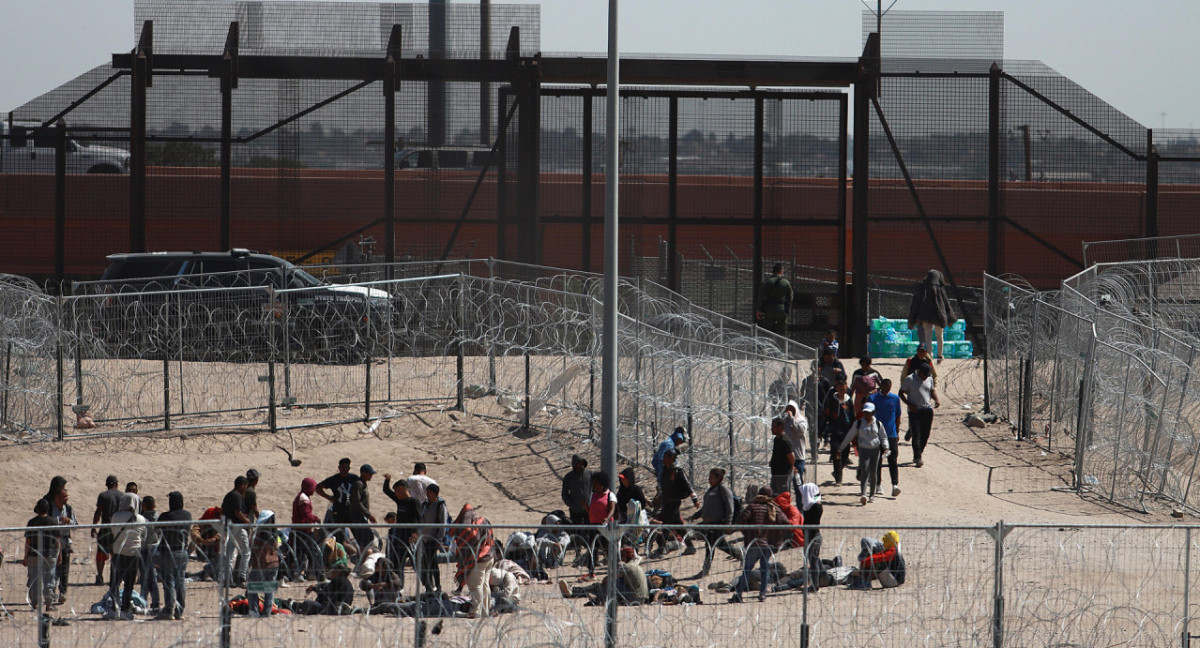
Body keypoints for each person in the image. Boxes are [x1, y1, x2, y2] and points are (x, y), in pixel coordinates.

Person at [728, 487, 785, 604]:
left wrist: (747, 533)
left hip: (754, 544)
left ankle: (738, 594)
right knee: (765, 570)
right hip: (767, 544)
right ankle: (762, 594)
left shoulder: (752, 507)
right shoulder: (774, 508)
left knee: (747, 570)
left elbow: (741, 520)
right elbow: (786, 522)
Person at [688, 467, 737, 577]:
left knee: (709, 545)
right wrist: (695, 516)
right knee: (720, 544)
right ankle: (739, 555)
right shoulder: (710, 490)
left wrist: (728, 523)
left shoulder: (723, 489)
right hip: (709, 524)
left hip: (718, 523)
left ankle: (705, 570)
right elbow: (705, 508)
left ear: (718, 478)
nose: (709, 479)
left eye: (711, 477)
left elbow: (730, 507)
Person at [449, 503, 495, 619]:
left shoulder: (468, 528)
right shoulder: (481, 521)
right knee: (484, 585)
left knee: (476, 586)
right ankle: (485, 610)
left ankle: (474, 611)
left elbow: (470, 540)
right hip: (489, 556)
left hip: (478, 559)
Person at [558, 545, 647, 605]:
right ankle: (584, 593)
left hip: (632, 598)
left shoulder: (627, 566)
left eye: (622, 555)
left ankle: (574, 592)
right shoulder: (635, 565)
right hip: (641, 598)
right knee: (612, 584)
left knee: (600, 585)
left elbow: (606, 580)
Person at [839, 402, 889, 505]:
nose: (867, 414)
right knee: (865, 471)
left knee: (873, 472)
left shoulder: (878, 424)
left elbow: (883, 436)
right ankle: (863, 494)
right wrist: (841, 448)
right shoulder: (858, 423)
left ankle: (872, 495)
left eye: (869, 412)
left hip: (875, 450)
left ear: (873, 413)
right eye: (865, 412)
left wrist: (886, 447)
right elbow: (849, 436)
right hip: (864, 450)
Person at [653, 449, 697, 557]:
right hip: (666, 501)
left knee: (666, 524)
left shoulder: (677, 471)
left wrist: (694, 498)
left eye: (666, 457)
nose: (663, 459)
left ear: (671, 458)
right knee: (678, 525)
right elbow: (663, 486)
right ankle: (690, 546)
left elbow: (687, 485)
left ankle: (662, 548)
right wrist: (659, 496)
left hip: (674, 502)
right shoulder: (665, 470)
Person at [907, 269, 958, 363]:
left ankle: (929, 356)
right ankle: (940, 355)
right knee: (939, 336)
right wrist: (950, 318)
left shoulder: (922, 288)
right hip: (939, 316)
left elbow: (915, 304)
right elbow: (947, 304)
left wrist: (912, 320)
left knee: (928, 336)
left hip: (925, 316)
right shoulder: (940, 289)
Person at [109, 493, 146, 620]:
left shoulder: (115, 516)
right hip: (133, 553)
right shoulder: (140, 519)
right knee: (129, 584)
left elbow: (113, 532)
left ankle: (114, 609)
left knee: (115, 582)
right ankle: (125, 608)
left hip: (118, 552)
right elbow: (143, 535)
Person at [157, 491, 193, 620]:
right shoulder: (187, 515)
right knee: (180, 581)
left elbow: (156, 530)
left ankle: (169, 609)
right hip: (183, 551)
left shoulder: (165, 516)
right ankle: (179, 611)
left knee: (169, 581)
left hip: (168, 551)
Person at [381, 473, 420, 589]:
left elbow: (419, 518)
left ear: (402, 489)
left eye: (397, 491)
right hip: (400, 537)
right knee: (398, 563)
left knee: (417, 564)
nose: (396, 494)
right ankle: (399, 586)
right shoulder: (400, 501)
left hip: (411, 538)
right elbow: (386, 491)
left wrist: (415, 533)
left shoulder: (414, 502)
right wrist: (387, 480)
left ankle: (429, 586)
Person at [42, 476, 76, 605]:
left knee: (64, 569)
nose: (66, 499)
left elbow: (76, 524)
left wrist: (69, 521)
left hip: (65, 541)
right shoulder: (48, 504)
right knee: (52, 568)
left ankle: (63, 592)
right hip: (51, 541)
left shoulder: (69, 509)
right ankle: (51, 592)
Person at [900, 363, 939, 468]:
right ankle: (917, 457)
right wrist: (909, 404)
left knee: (925, 434)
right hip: (915, 411)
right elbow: (901, 393)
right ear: (919, 372)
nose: (925, 377)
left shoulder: (929, 379)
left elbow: (931, 390)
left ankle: (919, 452)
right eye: (924, 375)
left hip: (927, 410)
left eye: (927, 375)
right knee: (916, 434)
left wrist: (936, 399)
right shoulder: (910, 379)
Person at [869, 379, 903, 497]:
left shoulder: (895, 399)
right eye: (885, 387)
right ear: (881, 386)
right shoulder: (873, 399)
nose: (887, 389)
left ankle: (895, 485)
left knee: (893, 459)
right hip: (877, 434)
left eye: (889, 387)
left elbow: (898, 416)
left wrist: (897, 431)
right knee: (878, 460)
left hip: (891, 434)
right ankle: (878, 484)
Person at [24, 498, 60, 612]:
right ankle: (48, 605)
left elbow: (28, 541)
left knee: (34, 580)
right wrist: (59, 556)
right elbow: (57, 541)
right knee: (49, 580)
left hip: (34, 554)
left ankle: (34, 604)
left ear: (37, 509)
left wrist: (25, 556)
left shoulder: (32, 522)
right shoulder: (53, 522)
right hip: (49, 554)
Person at [581, 472, 617, 580]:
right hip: (593, 526)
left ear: (602, 484)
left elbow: (612, 509)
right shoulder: (593, 495)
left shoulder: (610, 495)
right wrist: (585, 506)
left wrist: (607, 518)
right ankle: (591, 571)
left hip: (605, 526)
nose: (594, 486)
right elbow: (591, 511)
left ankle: (613, 570)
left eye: (596, 484)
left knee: (608, 549)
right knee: (593, 549)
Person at [247, 511, 281, 617]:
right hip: (274, 564)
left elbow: (254, 549)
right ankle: (267, 612)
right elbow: (278, 545)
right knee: (269, 589)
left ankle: (254, 611)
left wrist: (251, 563)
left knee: (252, 587)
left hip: (261, 564)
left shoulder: (260, 533)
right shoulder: (274, 533)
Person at [822, 376, 855, 483]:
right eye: (840, 389)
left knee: (845, 455)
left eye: (844, 390)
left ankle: (837, 471)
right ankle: (838, 479)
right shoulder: (832, 400)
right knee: (836, 453)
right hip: (834, 431)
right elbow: (826, 414)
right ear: (837, 389)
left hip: (846, 432)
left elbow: (852, 415)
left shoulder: (849, 400)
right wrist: (824, 430)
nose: (842, 391)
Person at [290, 478, 323, 583]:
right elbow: (306, 515)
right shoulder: (303, 499)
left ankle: (305, 573)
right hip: (303, 530)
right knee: (311, 551)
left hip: (301, 529)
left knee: (303, 552)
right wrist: (316, 519)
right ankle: (315, 574)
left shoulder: (302, 497)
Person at [222, 476, 252, 587]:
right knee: (246, 552)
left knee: (230, 554)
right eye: (245, 486)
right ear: (242, 485)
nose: (246, 488)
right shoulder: (237, 496)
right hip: (237, 528)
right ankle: (242, 577)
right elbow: (237, 512)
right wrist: (248, 521)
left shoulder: (228, 495)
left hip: (229, 527)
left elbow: (223, 511)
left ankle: (228, 579)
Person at [418, 483, 448, 593]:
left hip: (433, 538)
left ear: (435, 494)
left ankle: (437, 586)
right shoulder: (424, 505)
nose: (427, 494)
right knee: (426, 563)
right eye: (427, 492)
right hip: (424, 538)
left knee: (432, 563)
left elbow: (443, 524)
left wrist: (439, 539)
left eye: (429, 492)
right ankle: (429, 587)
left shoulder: (440, 505)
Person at [91, 475, 121, 586]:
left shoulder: (103, 495)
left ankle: (100, 576)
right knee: (116, 553)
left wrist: (94, 526)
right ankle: (115, 576)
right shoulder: (122, 495)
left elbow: (98, 511)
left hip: (105, 527)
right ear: (116, 484)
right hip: (117, 528)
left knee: (101, 553)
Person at [317, 458, 362, 530]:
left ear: (349, 468)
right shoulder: (334, 479)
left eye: (346, 467)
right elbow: (318, 487)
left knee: (358, 532)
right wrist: (328, 497)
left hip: (352, 511)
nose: (344, 470)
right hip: (339, 511)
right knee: (338, 534)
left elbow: (362, 489)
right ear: (339, 468)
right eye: (342, 467)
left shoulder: (354, 478)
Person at [348, 464, 379, 556]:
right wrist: (368, 514)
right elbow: (357, 502)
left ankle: (361, 558)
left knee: (366, 539)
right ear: (363, 473)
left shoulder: (363, 483)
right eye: (369, 474)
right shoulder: (358, 484)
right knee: (366, 538)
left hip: (361, 516)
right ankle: (361, 559)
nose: (371, 476)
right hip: (357, 516)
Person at [755, 263, 792, 335]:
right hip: (781, 309)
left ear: (773, 271)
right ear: (781, 271)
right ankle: (782, 345)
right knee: (782, 332)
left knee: (768, 332)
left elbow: (761, 297)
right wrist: (787, 307)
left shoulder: (767, 282)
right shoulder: (786, 282)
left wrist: (758, 309)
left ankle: (769, 345)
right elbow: (790, 297)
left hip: (769, 309)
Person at [800, 483, 824, 592]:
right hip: (809, 536)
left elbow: (810, 523)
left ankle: (815, 585)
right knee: (814, 560)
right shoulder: (809, 505)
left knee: (813, 561)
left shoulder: (816, 506)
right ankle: (822, 580)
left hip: (813, 537)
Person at [140, 495, 162, 613]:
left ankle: (147, 601)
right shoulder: (158, 517)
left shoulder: (142, 519)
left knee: (147, 577)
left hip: (145, 549)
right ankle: (150, 601)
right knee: (150, 576)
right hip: (156, 549)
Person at [769, 417, 798, 499]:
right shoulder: (777, 439)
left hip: (783, 475)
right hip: (775, 473)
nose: (771, 429)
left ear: (780, 427)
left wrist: (792, 466)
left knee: (782, 497)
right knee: (775, 496)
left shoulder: (785, 441)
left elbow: (791, 457)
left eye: (773, 427)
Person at [782, 400, 809, 487]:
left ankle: (800, 500)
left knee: (798, 484)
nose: (789, 411)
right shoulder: (785, 421)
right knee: (785, 484)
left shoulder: (801, 420)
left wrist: (792, 419)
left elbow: (800, 430)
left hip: (798, 457)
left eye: (792, 409)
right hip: (787, 457)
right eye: (788, 409)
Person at [560, 455, 593, 526]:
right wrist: (571, 504)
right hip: (575, 510)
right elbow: (564, 493)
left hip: (588, 509)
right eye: (579, 463)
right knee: (576, 530)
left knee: (590, 529)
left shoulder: (590, 474)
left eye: (582, 463)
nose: (581, 465)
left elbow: (595, 489)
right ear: (575, 464)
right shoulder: (569, 477)